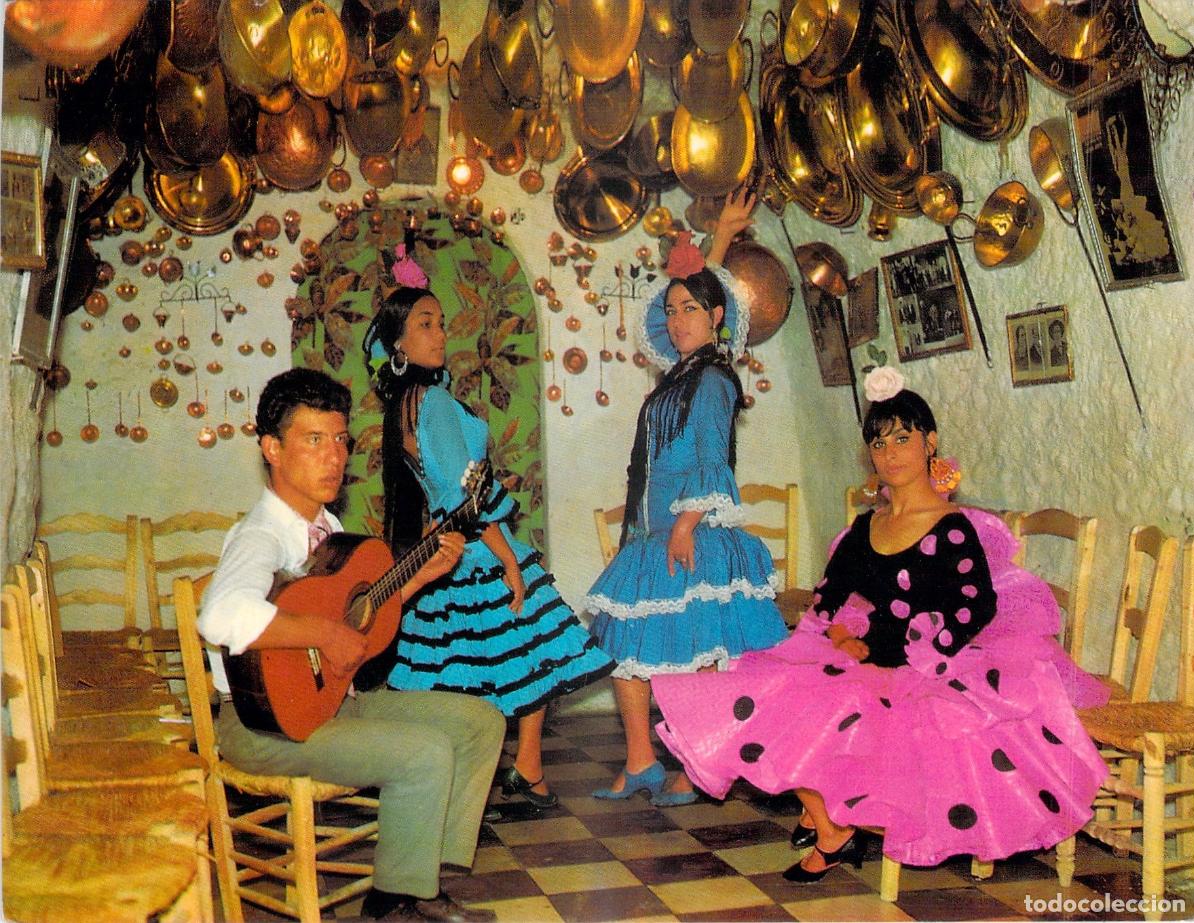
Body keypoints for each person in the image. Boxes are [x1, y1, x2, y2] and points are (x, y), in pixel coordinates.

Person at [650, 366, 1110, 880]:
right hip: (869, 660)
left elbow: (976, 605)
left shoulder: (951, 528)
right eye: (878, 443)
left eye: (902, 439)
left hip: (931, 671)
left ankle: (834, 828)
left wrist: (928, 648)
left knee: (838, 709)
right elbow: (828, 598)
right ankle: (829, 819)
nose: (889, 454)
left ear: (929, 443)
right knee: (767, 689)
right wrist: (839, 636)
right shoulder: (868, 525)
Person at [199, 368, 504, 923]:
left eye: (340, 440)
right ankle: (393, 903)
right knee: (424, 752)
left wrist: (415, 578)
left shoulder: (328, 529)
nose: (334, 457)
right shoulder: (260, 535)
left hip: (332, 703)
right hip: (264, 726)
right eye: (313, 440)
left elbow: (359, 618)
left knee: (479, 721)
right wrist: (324, 633)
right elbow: (221, 616)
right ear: (272, 448)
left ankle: (421, 877)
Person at [361, 246, 614, 810]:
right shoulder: (435, 402)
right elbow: (461, 493)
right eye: (425, 323)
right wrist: (505, 559)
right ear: (399, 342)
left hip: (431, 556)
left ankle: (507, 771)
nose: (439, 332)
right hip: (471, 551)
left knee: (469, 667)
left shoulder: (403, 403)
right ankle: (518, 769)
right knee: (533, 646)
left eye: (442, 322)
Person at [583, 190, 789, 806]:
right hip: (653, 534)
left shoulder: (715, 376)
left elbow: (708, 457)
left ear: (716, 318)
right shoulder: (681, 372)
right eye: (671, 311)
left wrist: (686, 524)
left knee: (693, 653)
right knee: (628, 655)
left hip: (690, 531)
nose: (677, 320)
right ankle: (643, 760)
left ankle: (700, 764)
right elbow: (702, 285)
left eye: (690, 311)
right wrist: (718, 237)